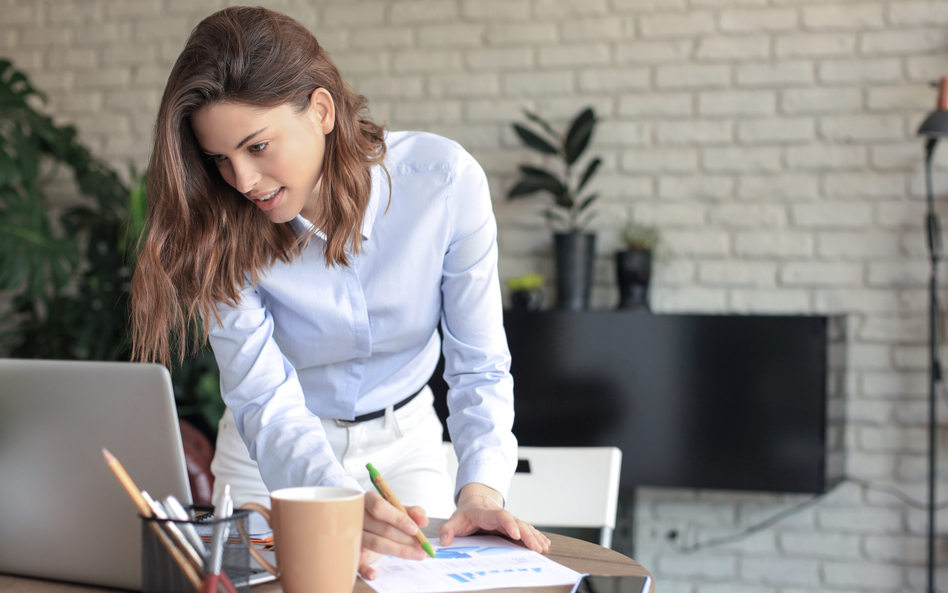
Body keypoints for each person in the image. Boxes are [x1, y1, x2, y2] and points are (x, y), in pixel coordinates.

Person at [129, 5, 549, 578]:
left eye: (257, 147)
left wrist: (480, 492)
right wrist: (331, 502)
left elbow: (478, 367)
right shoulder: (220, 227)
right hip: (269, 457)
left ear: (321, 110)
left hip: (406, 447)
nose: (242, 182)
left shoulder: (445, 186)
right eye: (219, 160)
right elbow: (264, 400)